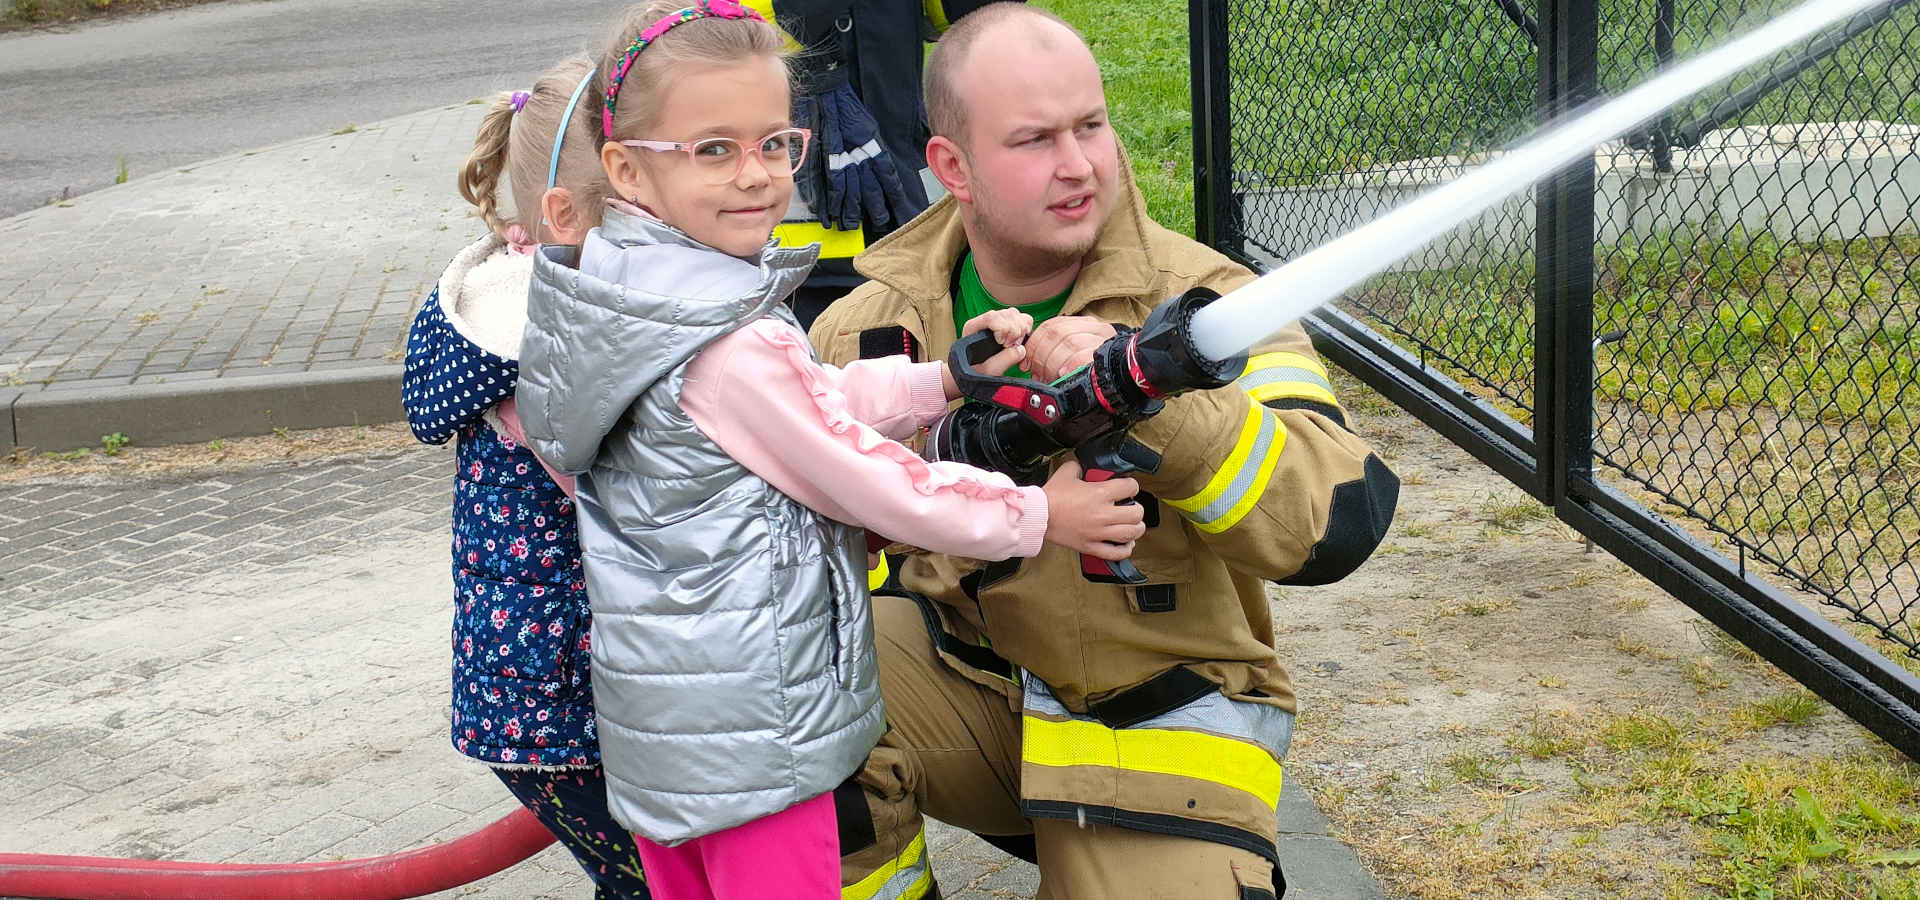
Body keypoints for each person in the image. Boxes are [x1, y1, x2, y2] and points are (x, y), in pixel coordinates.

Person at [511, 2, 1145, 897]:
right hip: (762, 743)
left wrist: (940, 383)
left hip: (668, 741)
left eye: (776, 144)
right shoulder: (733, 343)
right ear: (626, 169)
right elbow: (868, 483)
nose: (756, 176)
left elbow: (802, 411)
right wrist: (1040, 515)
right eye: (714, 150)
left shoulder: (624, 301)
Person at [808, 6, 1402, 898]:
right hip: (966, 689)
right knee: (780, 699)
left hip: (1155, 718)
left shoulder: (1210, 309)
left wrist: (1152, 397)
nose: (1081, 164)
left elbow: (1334, 524)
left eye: (1091, 125)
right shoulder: (866, 331)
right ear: (951, 168)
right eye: (1035, 139)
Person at [399, 58, 651, 900]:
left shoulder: (510, 297)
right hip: (564, 709)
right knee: (654, 883)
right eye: (644, 207)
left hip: (527, 702)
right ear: (570, 212)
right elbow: (644, 495)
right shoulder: (543, 337)